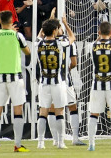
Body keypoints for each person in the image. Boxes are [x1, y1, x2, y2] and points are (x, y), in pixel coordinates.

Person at [0, 10, 32, 153]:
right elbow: (27, 52)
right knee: (18, 110)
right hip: (14, 77)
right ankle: (17, 145)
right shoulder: (17, 35)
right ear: (12, 20)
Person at [86, 21, 111, 151]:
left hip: (96, 85)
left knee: (93, 115)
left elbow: (95, 46)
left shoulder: (91, 45)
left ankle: (91, 144)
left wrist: (100, 37)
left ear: (98, 33)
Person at [35, 17, 75, 150]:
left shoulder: (38, 43)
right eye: (57, 28)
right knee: (59, 112)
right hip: (58, 83)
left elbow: (39, 36)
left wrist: (45, 25)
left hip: (43, 82)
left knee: (43, 112)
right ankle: (61, 142)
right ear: (54, 30)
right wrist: (66, 25)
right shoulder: (60, 43)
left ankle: (40, 142)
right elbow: (72, 38)